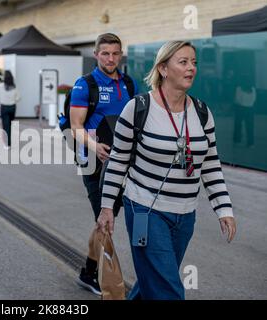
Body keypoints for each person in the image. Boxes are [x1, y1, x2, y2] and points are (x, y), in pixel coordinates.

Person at [98, 40, 237, 300]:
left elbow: (210, 163)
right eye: (183, 62)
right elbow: (118, 160)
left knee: (153, 279)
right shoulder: (138, 108)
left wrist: (224, 209)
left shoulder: (202, 112)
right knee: (167, 290)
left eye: (194, 62)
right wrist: (107, 207)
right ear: (163, 68)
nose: (191, 68)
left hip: (185, 215)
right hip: (145, 210)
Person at [69, 33, 138, 295]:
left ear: (121, 55)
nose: (111, 58)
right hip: (93, 162)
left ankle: (88, 271)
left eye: (115, 53)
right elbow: (75, 127)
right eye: (105, 53)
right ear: (96, 54)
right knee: (104, 220)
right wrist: (95, 146)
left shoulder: (129, 84)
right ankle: (94, 274)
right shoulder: (84, 84)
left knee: (105, 220)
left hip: (121, 162)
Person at [0, 70, 20, 148]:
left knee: (5, 126)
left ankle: (7, 144)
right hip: (12, 108)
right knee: (9, 125)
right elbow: (18, 97)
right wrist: (13, 100)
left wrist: (2, 99)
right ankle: (8, 142)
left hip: (4, 107)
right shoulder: (14, 86)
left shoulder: (1, 85)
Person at [233, 81, 256, 147]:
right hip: (250, 109)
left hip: (240, 108)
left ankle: (237, 140)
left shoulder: (239, 88)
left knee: (238, 125)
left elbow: (237, 99)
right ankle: (250, 142)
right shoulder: (253, 89)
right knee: (250, 126)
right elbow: (254, 99)